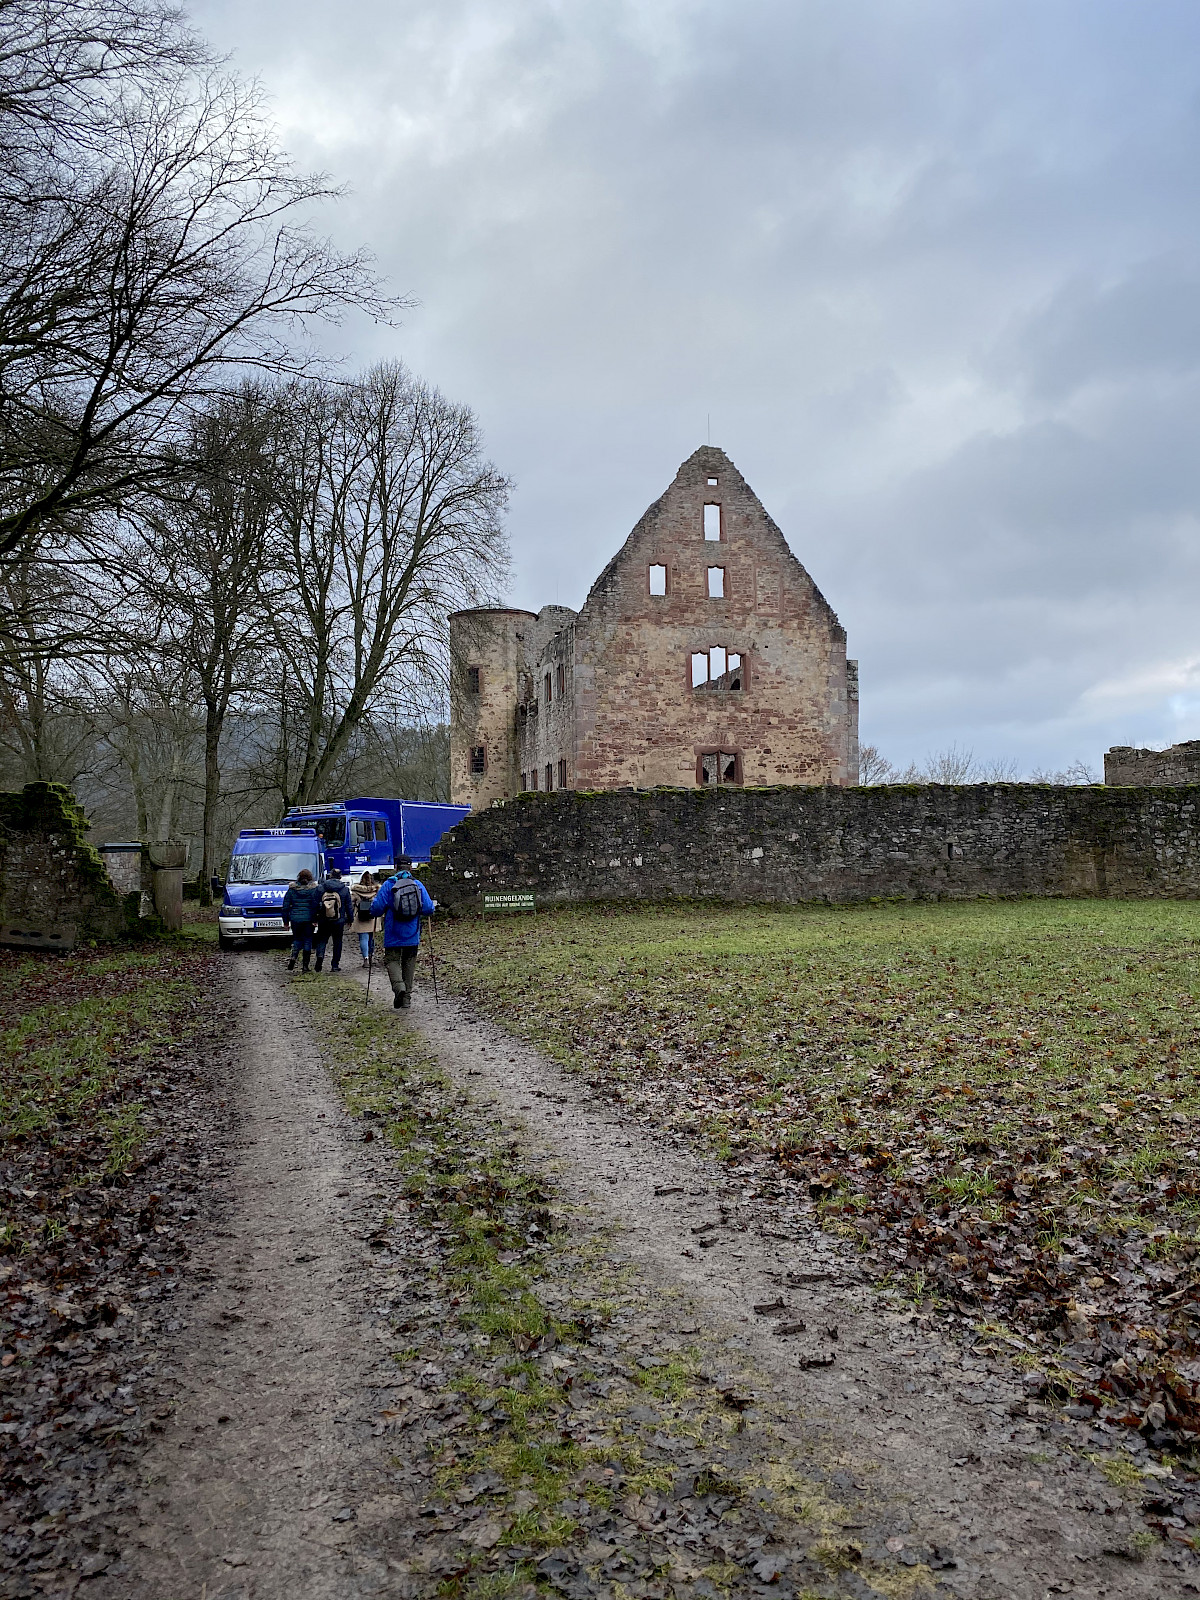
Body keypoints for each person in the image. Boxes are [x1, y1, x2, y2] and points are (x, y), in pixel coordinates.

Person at [367, 856, 436, 1009]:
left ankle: (399, 988)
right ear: (410, 868)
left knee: (392, 960)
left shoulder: (389, 885)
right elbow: (429, 908)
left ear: (396, 867)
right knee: (409, 963)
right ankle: (406, 999)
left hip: (393, 932)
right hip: (412, 932)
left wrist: (373, 910)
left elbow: (377, 908)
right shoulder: (417, 885)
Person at [281, 868, 324, 971]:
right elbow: (316, 905)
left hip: (295, 919)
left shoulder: (292, 890)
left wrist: (286, 922)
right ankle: (305, 966)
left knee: (297, 939)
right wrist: (315, 919)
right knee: (307, 940)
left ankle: (293, 959)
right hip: (309, 919)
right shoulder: (313, 889)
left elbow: (285, 907)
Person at [314, 867, 352, 972]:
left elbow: (315, 904)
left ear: (330, 876)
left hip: (323, 919)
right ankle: (335, 965)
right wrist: (350, 919)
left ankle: (320, 956)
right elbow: (349, 906)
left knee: (322, 940)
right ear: (340, 877)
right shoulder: (344, 889)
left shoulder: (321, 888)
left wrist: (314, 918)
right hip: (338, 920)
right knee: (337, 942)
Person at [350, 871, 380, 966]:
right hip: (373, 916)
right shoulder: (376, 890)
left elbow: (351, 903)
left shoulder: (356, 890)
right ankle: (371, 955)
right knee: (372, 937)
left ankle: (365, 958)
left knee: (363, 938)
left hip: (360, 916)